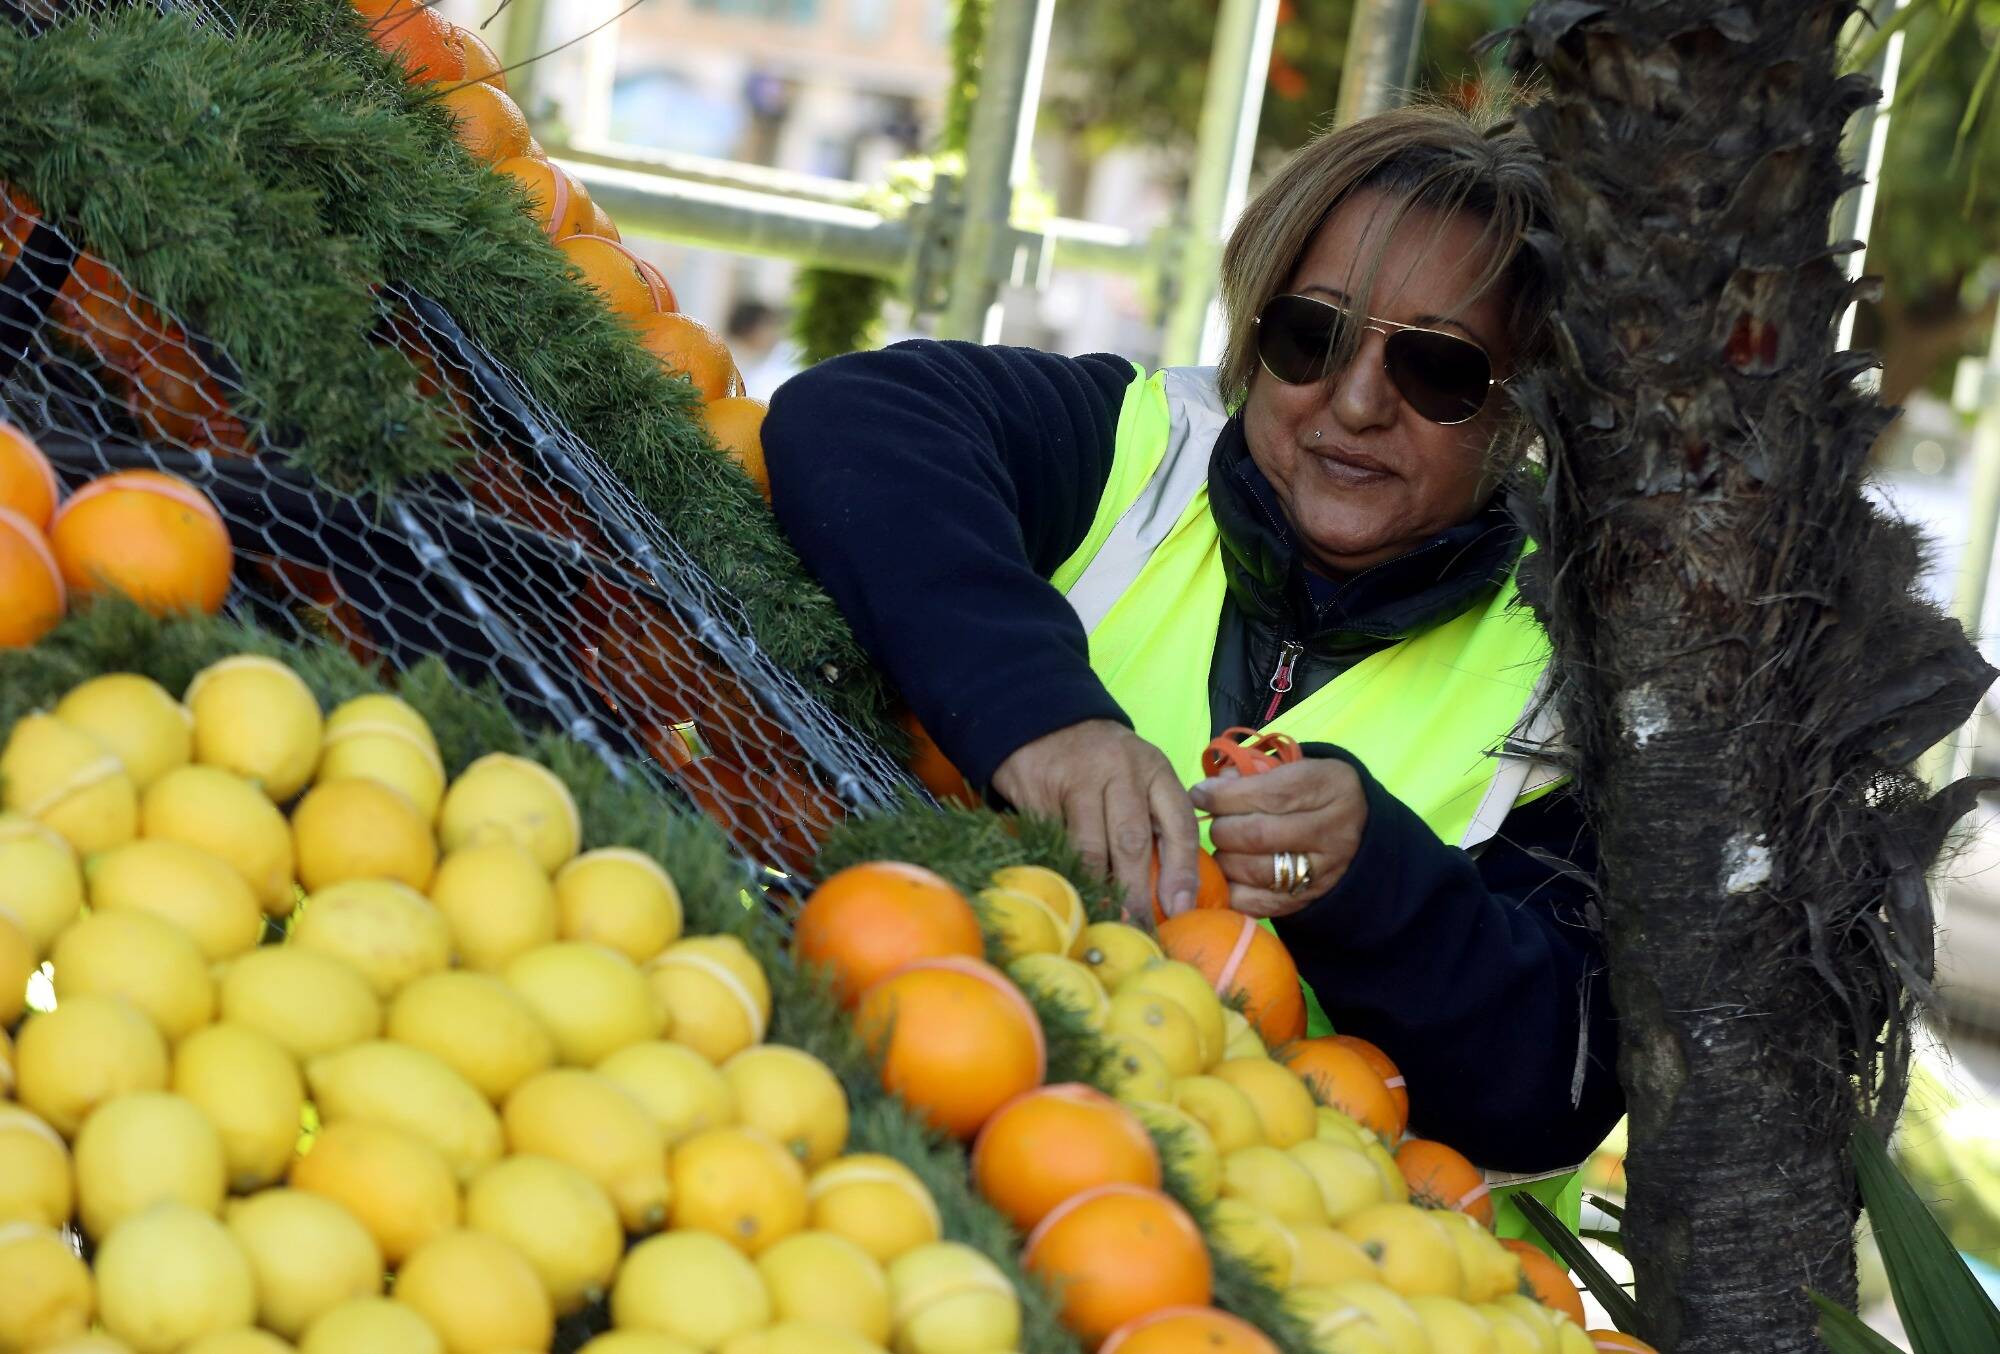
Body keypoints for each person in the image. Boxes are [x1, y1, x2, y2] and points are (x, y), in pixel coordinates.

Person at [762, 101, 1622, 1223]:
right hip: (892, 1099)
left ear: (1523, 410)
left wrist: (1370, 884)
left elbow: (1554, 1082)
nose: (1353, 403)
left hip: (1283, 1277)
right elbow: (851, 420)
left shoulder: (1577, 683)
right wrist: (1043, 717)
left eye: (1435, 369)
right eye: (1308, 335)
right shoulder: (1147, 449)